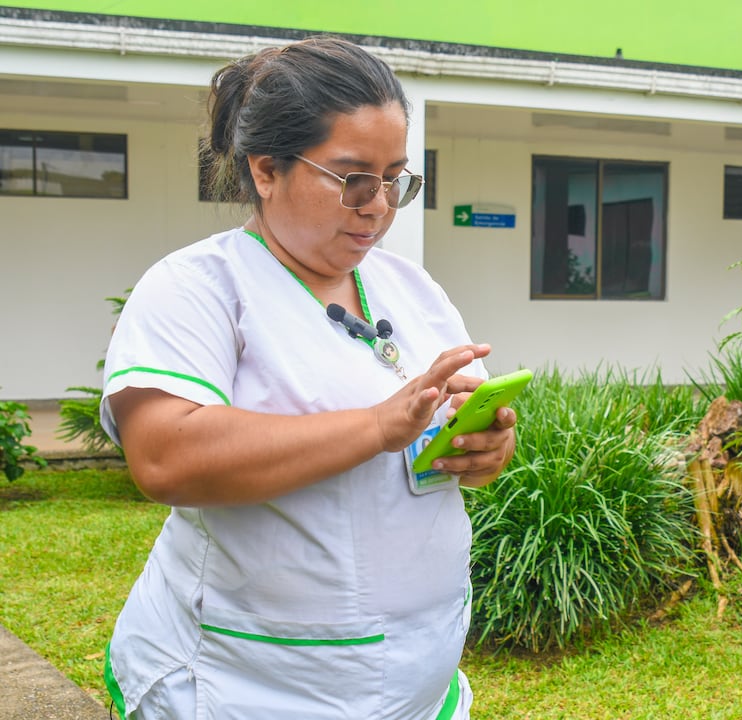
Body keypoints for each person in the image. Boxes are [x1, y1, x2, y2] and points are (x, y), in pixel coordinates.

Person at [99, 36, 516, 719]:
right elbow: (164, 456)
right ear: (266, 169)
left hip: (414, 682)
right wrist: (377, 427)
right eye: (353, 178)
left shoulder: (413, 290)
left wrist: (483, 450)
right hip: (249, 687)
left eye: (395, 179)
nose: (377, 204)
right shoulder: (199, 288)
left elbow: (453, 458)